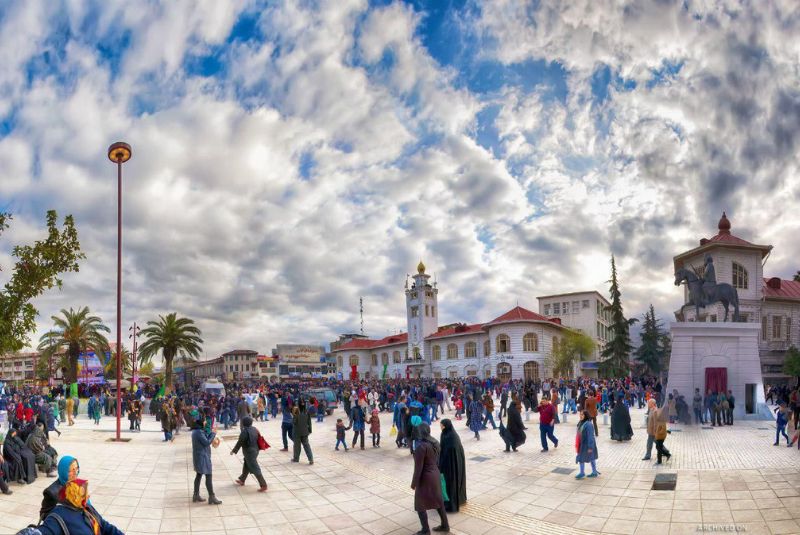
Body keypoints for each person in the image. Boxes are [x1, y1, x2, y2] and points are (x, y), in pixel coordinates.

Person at [33, 479, 125, 535]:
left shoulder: (87, 508)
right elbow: (45, 531)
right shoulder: (58, 514)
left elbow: (104, 525)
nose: (88, 496)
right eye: (83, 494)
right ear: (74, 495)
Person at [411, 423, 449, 535]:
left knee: (420, 504)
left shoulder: (421, 446)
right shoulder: (434, 442)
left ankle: (425, 530)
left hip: (426, 477)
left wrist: (414, 483)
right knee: (438, 501)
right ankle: (445, 525)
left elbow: (418, 468)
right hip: (435, 474)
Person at [231, 416, 268, 491]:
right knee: (247, 464)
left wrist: (234, 450)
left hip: (249, 452)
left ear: (244, 423)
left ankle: (263, 485)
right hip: (255, 450)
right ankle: (242, 480)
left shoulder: (244, 432)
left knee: (255, 468)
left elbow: (240, 442)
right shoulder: (254, 429)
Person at [438, 419, 466, 513]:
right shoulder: (445, 434)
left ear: (446, 426)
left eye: (441, 425)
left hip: (452, 465)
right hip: (448, 463)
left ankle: (452, 504)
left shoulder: (452, 437)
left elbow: (450, 452)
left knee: (452, 482)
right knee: (448, 483)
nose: (440, 427)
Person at [40, 456, 80, 521]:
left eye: (77, 468)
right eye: (71, 470)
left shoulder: (77, 484)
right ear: (63, 471)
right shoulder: (51, 492)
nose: (76, 473)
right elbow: (44, 515)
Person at [191, 418, 221, 505]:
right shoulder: (199, 432)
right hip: (203, 457)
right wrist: (214, 433)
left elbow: (204, 439)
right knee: (208, 475)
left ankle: (195, 495)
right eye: (204, 422)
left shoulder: (196, 431)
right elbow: (207, 442)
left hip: (199, 456)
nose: (205, 423)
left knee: (199, 475)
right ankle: (212, 497)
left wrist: (211, 433)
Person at [575, 410, 600, 479]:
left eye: (582, 415)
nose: (581, 416)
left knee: (590, 458)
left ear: (586, 415)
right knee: (582, 458)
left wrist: (590, 447)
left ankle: (592, 472)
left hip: (588, 445)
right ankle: (583, 472)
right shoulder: (581, 423)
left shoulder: (588, 424)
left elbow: (590, 436)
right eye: (580, 414)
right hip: (582, 444)